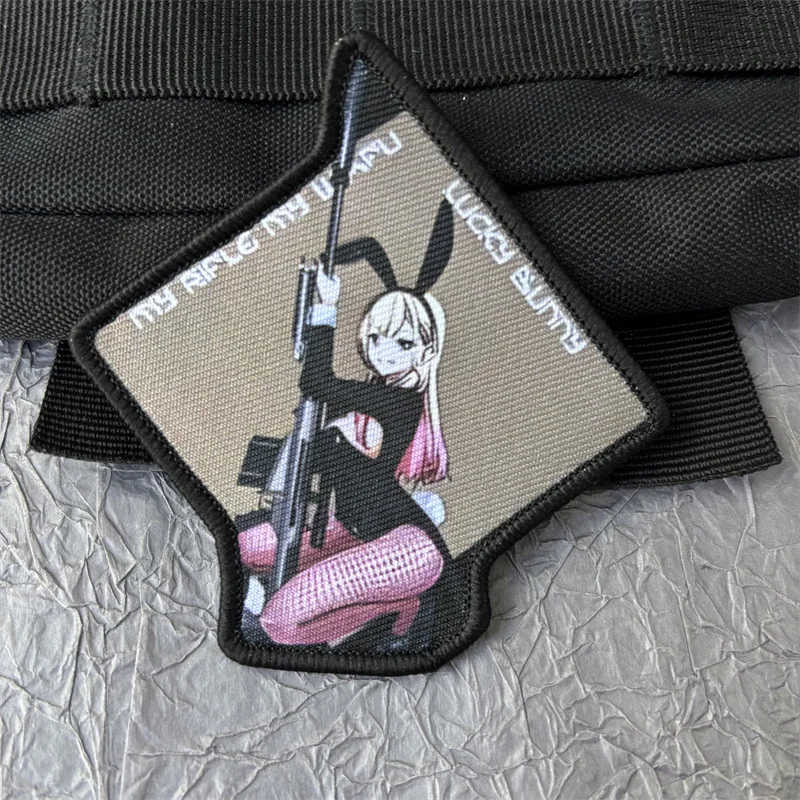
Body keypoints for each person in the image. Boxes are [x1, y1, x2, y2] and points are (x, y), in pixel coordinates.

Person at [238, 255, 451, 647]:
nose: (385, 351)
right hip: (353, 531)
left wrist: (327, 308)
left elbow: (317, 382)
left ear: (426, 351)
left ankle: (404, 608)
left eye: (404, 342)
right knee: (244, 546)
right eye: (375, 338)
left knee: (278, 623)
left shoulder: (398, 402)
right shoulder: (369, 395)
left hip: (407, 548)